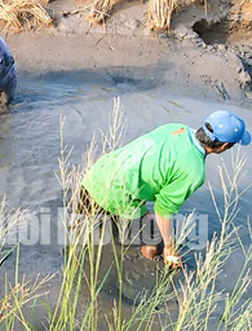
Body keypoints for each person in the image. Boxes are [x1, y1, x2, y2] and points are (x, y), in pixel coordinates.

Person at [80, 110, 250, 267]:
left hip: (97, 173)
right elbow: (163, 209)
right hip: (118, 192)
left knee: (82, 225)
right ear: (225, 145)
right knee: (154, 244)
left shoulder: (177, 128)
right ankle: (147, 276)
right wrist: (169, 246)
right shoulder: (195, 171)